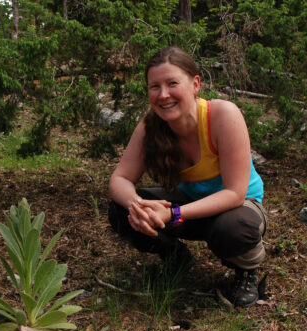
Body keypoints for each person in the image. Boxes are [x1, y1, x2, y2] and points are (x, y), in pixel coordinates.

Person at [108, 47, 267, 307]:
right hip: (190, 205)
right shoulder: (151, 125)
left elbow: (235, 193)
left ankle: (246, 270)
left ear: (195, 85)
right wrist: (138, 206)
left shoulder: (222, 115)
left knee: (232, 230)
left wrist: (173, 214)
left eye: (172, 83)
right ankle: (176, 257)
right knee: (120, 211)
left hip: (238, 208)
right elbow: (120, 179)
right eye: (154, 87)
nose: (163, 95)